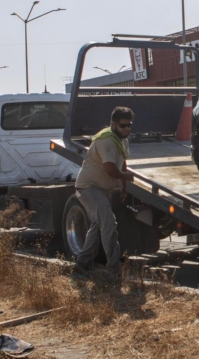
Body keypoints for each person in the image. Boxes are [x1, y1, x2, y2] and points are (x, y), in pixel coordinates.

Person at [73, 106, 135, 275]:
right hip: (89, 188)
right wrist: (127, 176)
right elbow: (110, 169)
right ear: (113, 124)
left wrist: (123, 186)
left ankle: (81, 264)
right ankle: (114, 266)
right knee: (109, 223)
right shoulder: (106, 141)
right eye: (123, 126)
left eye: (129, 125)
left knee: (97, 225)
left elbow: (121, 163)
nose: (127, 129)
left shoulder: (122, 140)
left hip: (101, 189)